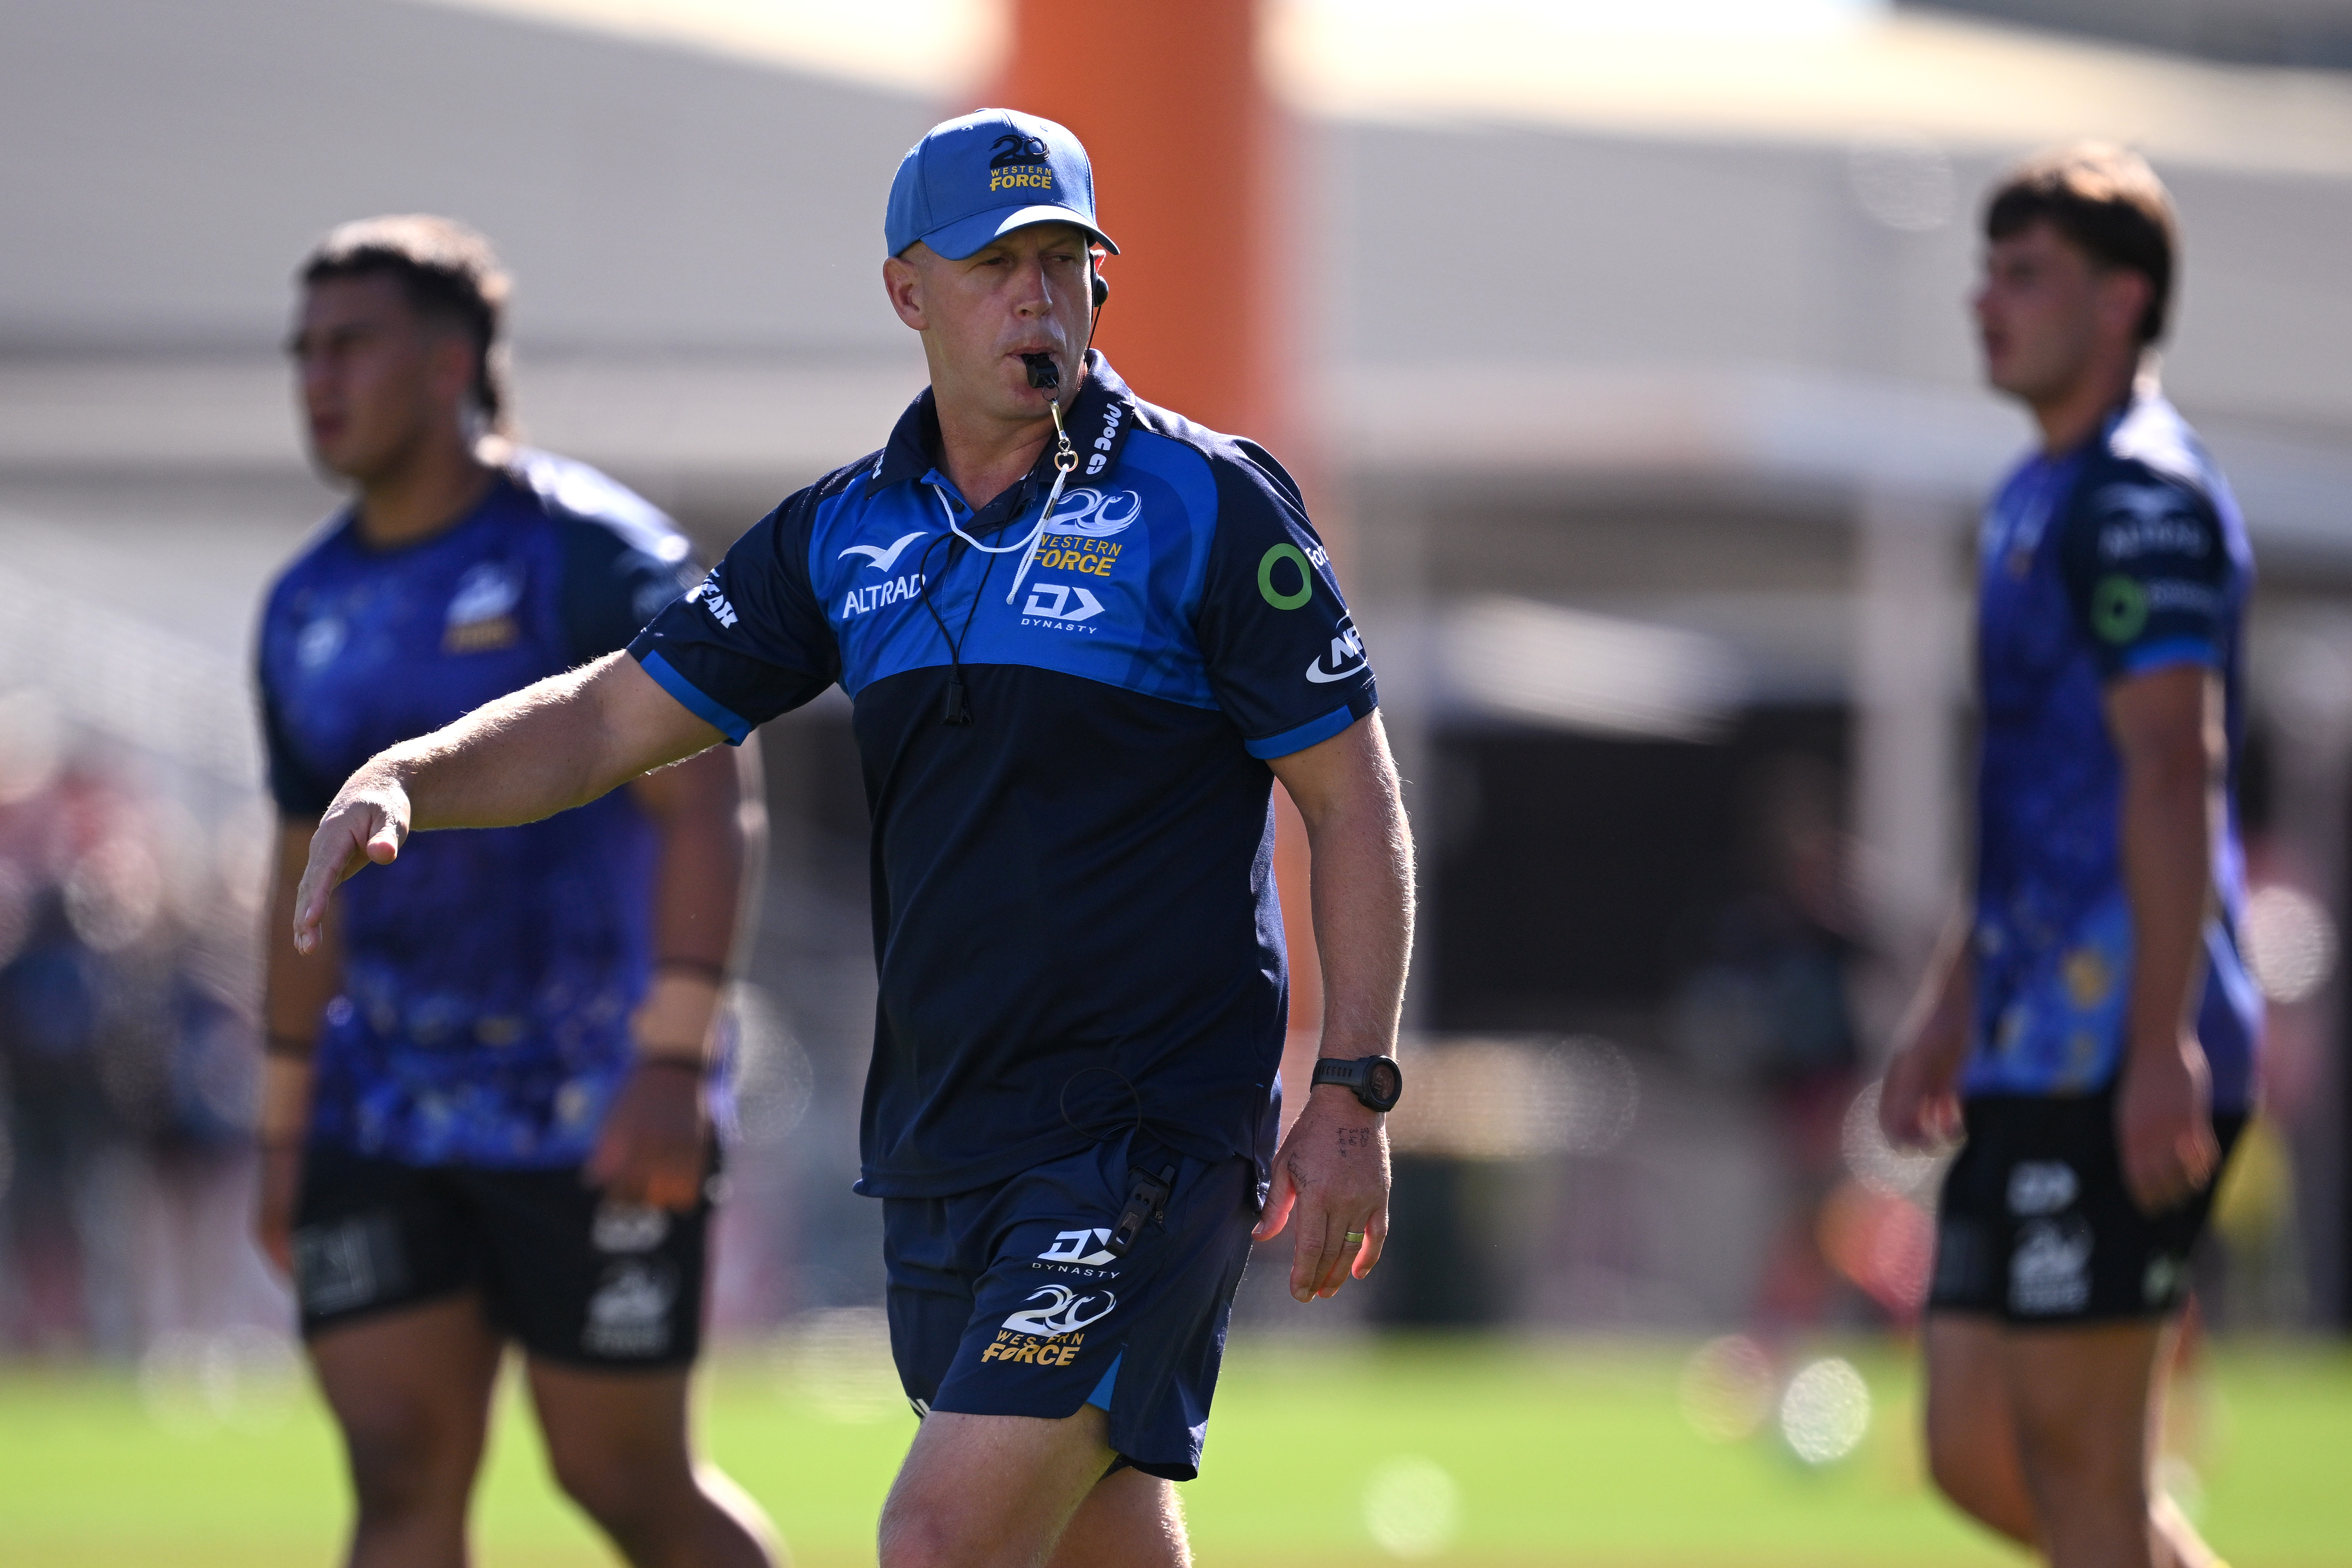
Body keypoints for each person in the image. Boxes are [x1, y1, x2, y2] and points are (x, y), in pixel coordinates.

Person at [288, 112, 1413, 1568]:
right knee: (1101, 1537)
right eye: (996, 265)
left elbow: (1353, 800)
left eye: (1063, 263)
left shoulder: (1203, 504)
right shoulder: (842, 534)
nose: (1037, 298)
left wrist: (1353, 1092)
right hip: (945, 1136)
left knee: (937, 1539)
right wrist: (409, 777)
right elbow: (608, 720)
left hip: (1145, 1132)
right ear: (907, 293)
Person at [256, 216, 778, 1568]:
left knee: (623, 1480)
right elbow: (296, 868)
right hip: (384, 1106)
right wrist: (283, 1120)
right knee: (396, 1469)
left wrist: (674, 1054)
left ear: (450, 366)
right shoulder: (301, 607)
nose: (317, 378)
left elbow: (708, 800)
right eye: (304, 351)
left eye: (350, 346)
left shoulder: (589, 552)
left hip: (594, 1098)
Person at [1879, 146, 2259, 1568]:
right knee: (1977, 1454)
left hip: (2118, 1047)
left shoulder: (2141, 497)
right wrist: (1950, 1004)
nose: (1986, 301)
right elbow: (2031, 798)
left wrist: (2162, 1040)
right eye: (1988, 272)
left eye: (2026, 275)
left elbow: (2171, 768)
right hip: (2026, 1044)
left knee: (2085, 1475)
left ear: (2121, 302)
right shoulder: (2033, 495)